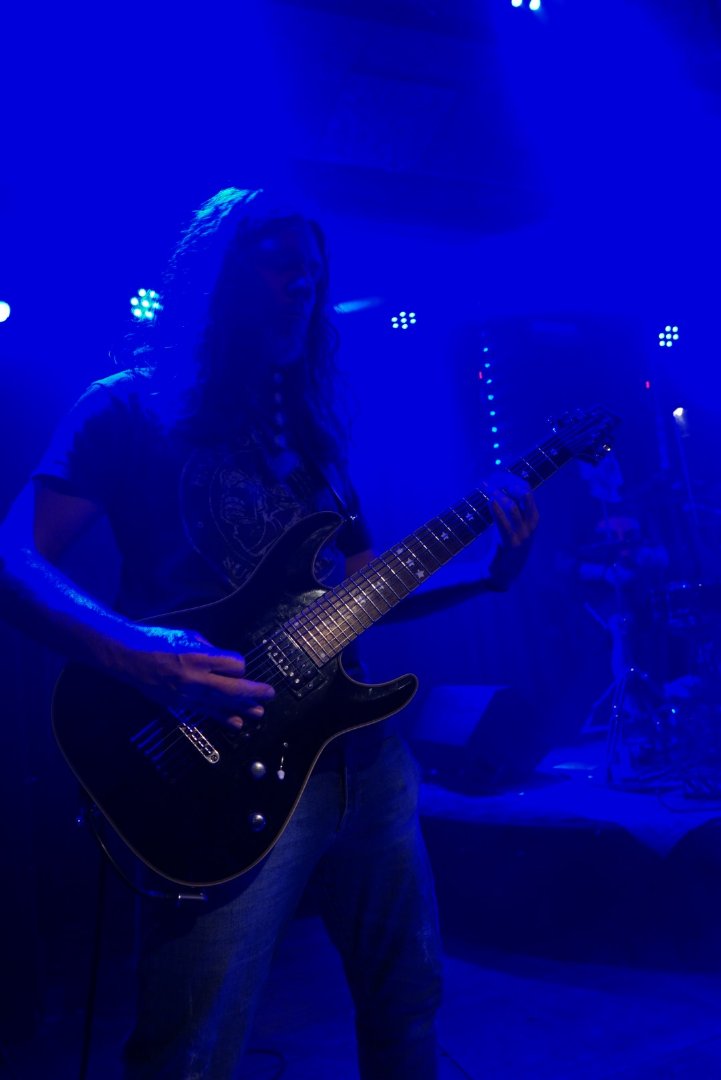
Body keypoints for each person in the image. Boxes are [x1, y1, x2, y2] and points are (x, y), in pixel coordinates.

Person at [0, 187, 539, 1079]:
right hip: (208, 770)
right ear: (216, 279)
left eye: (313, 274)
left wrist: (488, 571)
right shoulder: (124, 409)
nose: (302, 287)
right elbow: (13, 556)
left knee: (407, 1009)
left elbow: (363, 592)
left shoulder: (312, 433)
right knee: (187, 1055)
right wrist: (141, 657)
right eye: (280, 267)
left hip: (362, 765)